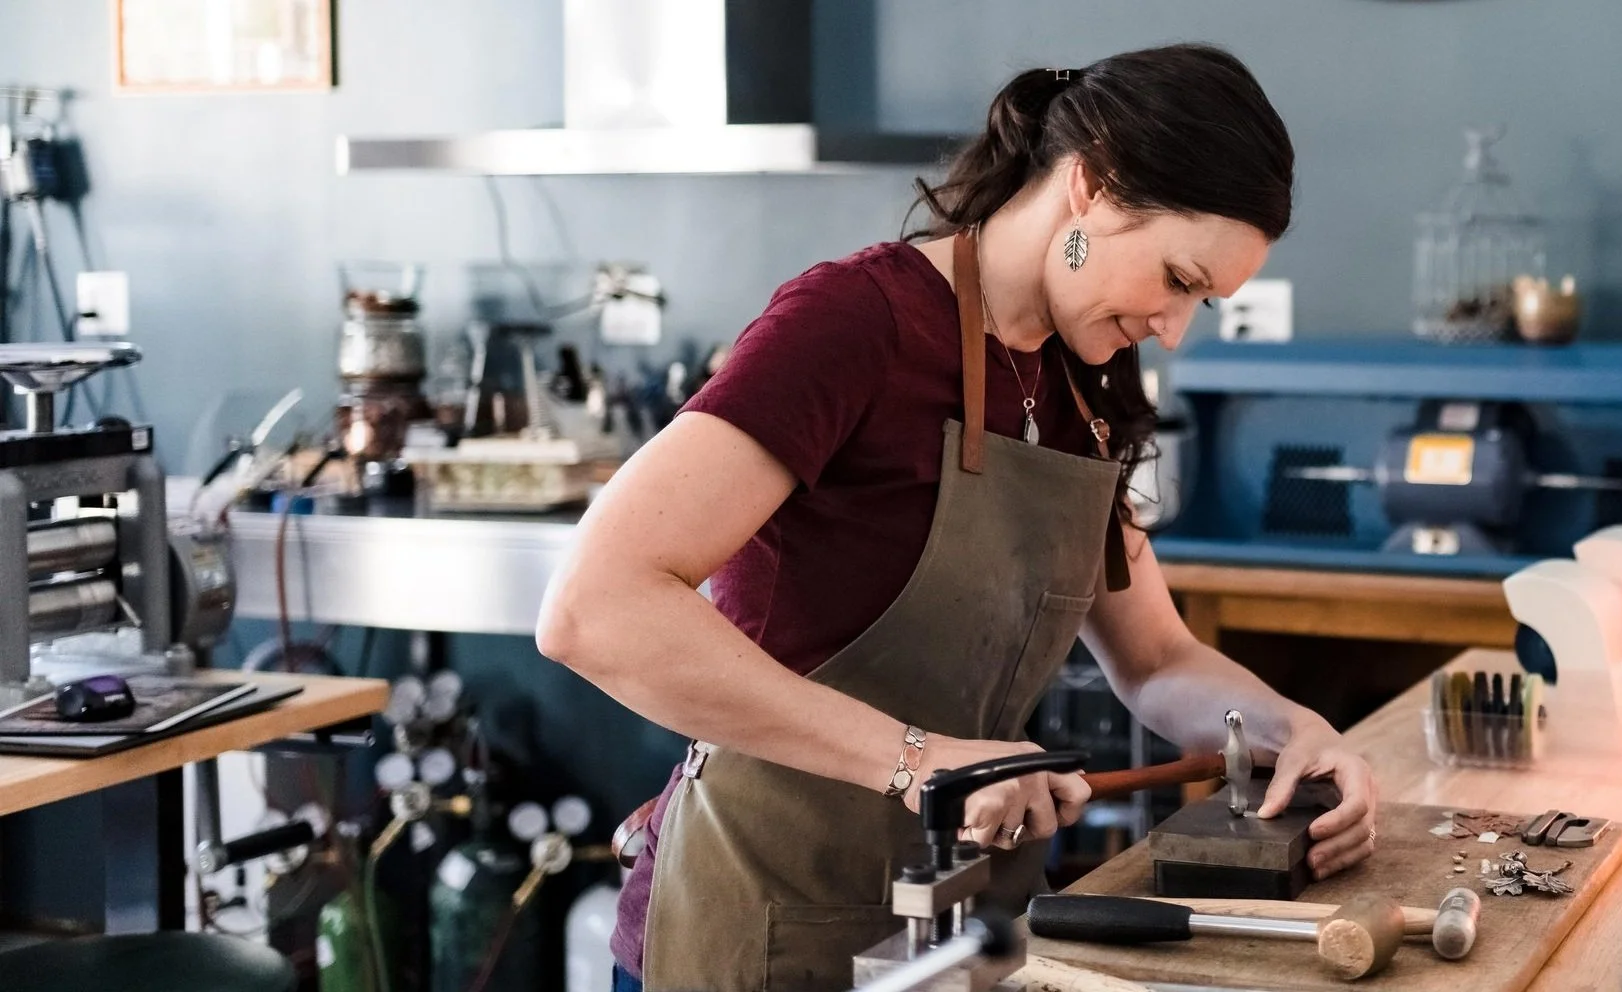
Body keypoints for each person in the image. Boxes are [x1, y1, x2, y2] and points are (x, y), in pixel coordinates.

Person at [534, 44, 1380, 992]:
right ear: (1091, 189)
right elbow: (593, 607)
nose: (1177, 328)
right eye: (1178, 280)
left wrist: (1287, 724)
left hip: (966, 933)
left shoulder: (1089, 381)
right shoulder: (855, 324)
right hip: (760, 924)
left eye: (1206, 301)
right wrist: (925, 762)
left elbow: (1156, 660)